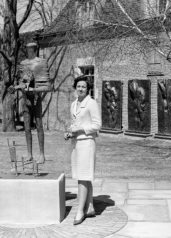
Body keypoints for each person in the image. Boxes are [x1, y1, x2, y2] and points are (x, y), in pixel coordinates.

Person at [64, 75, 102, 225]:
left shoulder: (91, 103)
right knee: (84, 176)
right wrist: (70, 132)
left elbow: (97, 125)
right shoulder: (73, 104)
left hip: (87, 143)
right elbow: (75, 124)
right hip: (76, 144)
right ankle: (90, 206)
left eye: (84, 87)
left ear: (88, 89)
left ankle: (80, 211)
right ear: (75, 87)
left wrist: (80, 129)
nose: (80, 89)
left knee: (83, 177)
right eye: (78, 86)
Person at [9, 42, 51, 164]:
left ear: (35, 49)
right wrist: (16, 87)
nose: (28, 50)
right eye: (27, 49)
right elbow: (24, 82)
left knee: (39, 126)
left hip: (36, 99)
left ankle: (42, 154)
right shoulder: (23, 64)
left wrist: (34, 89)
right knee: (27, 127)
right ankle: (29, 154)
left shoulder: (41, 63)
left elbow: (47, 86)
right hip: (26, 98)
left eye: (30, 48)